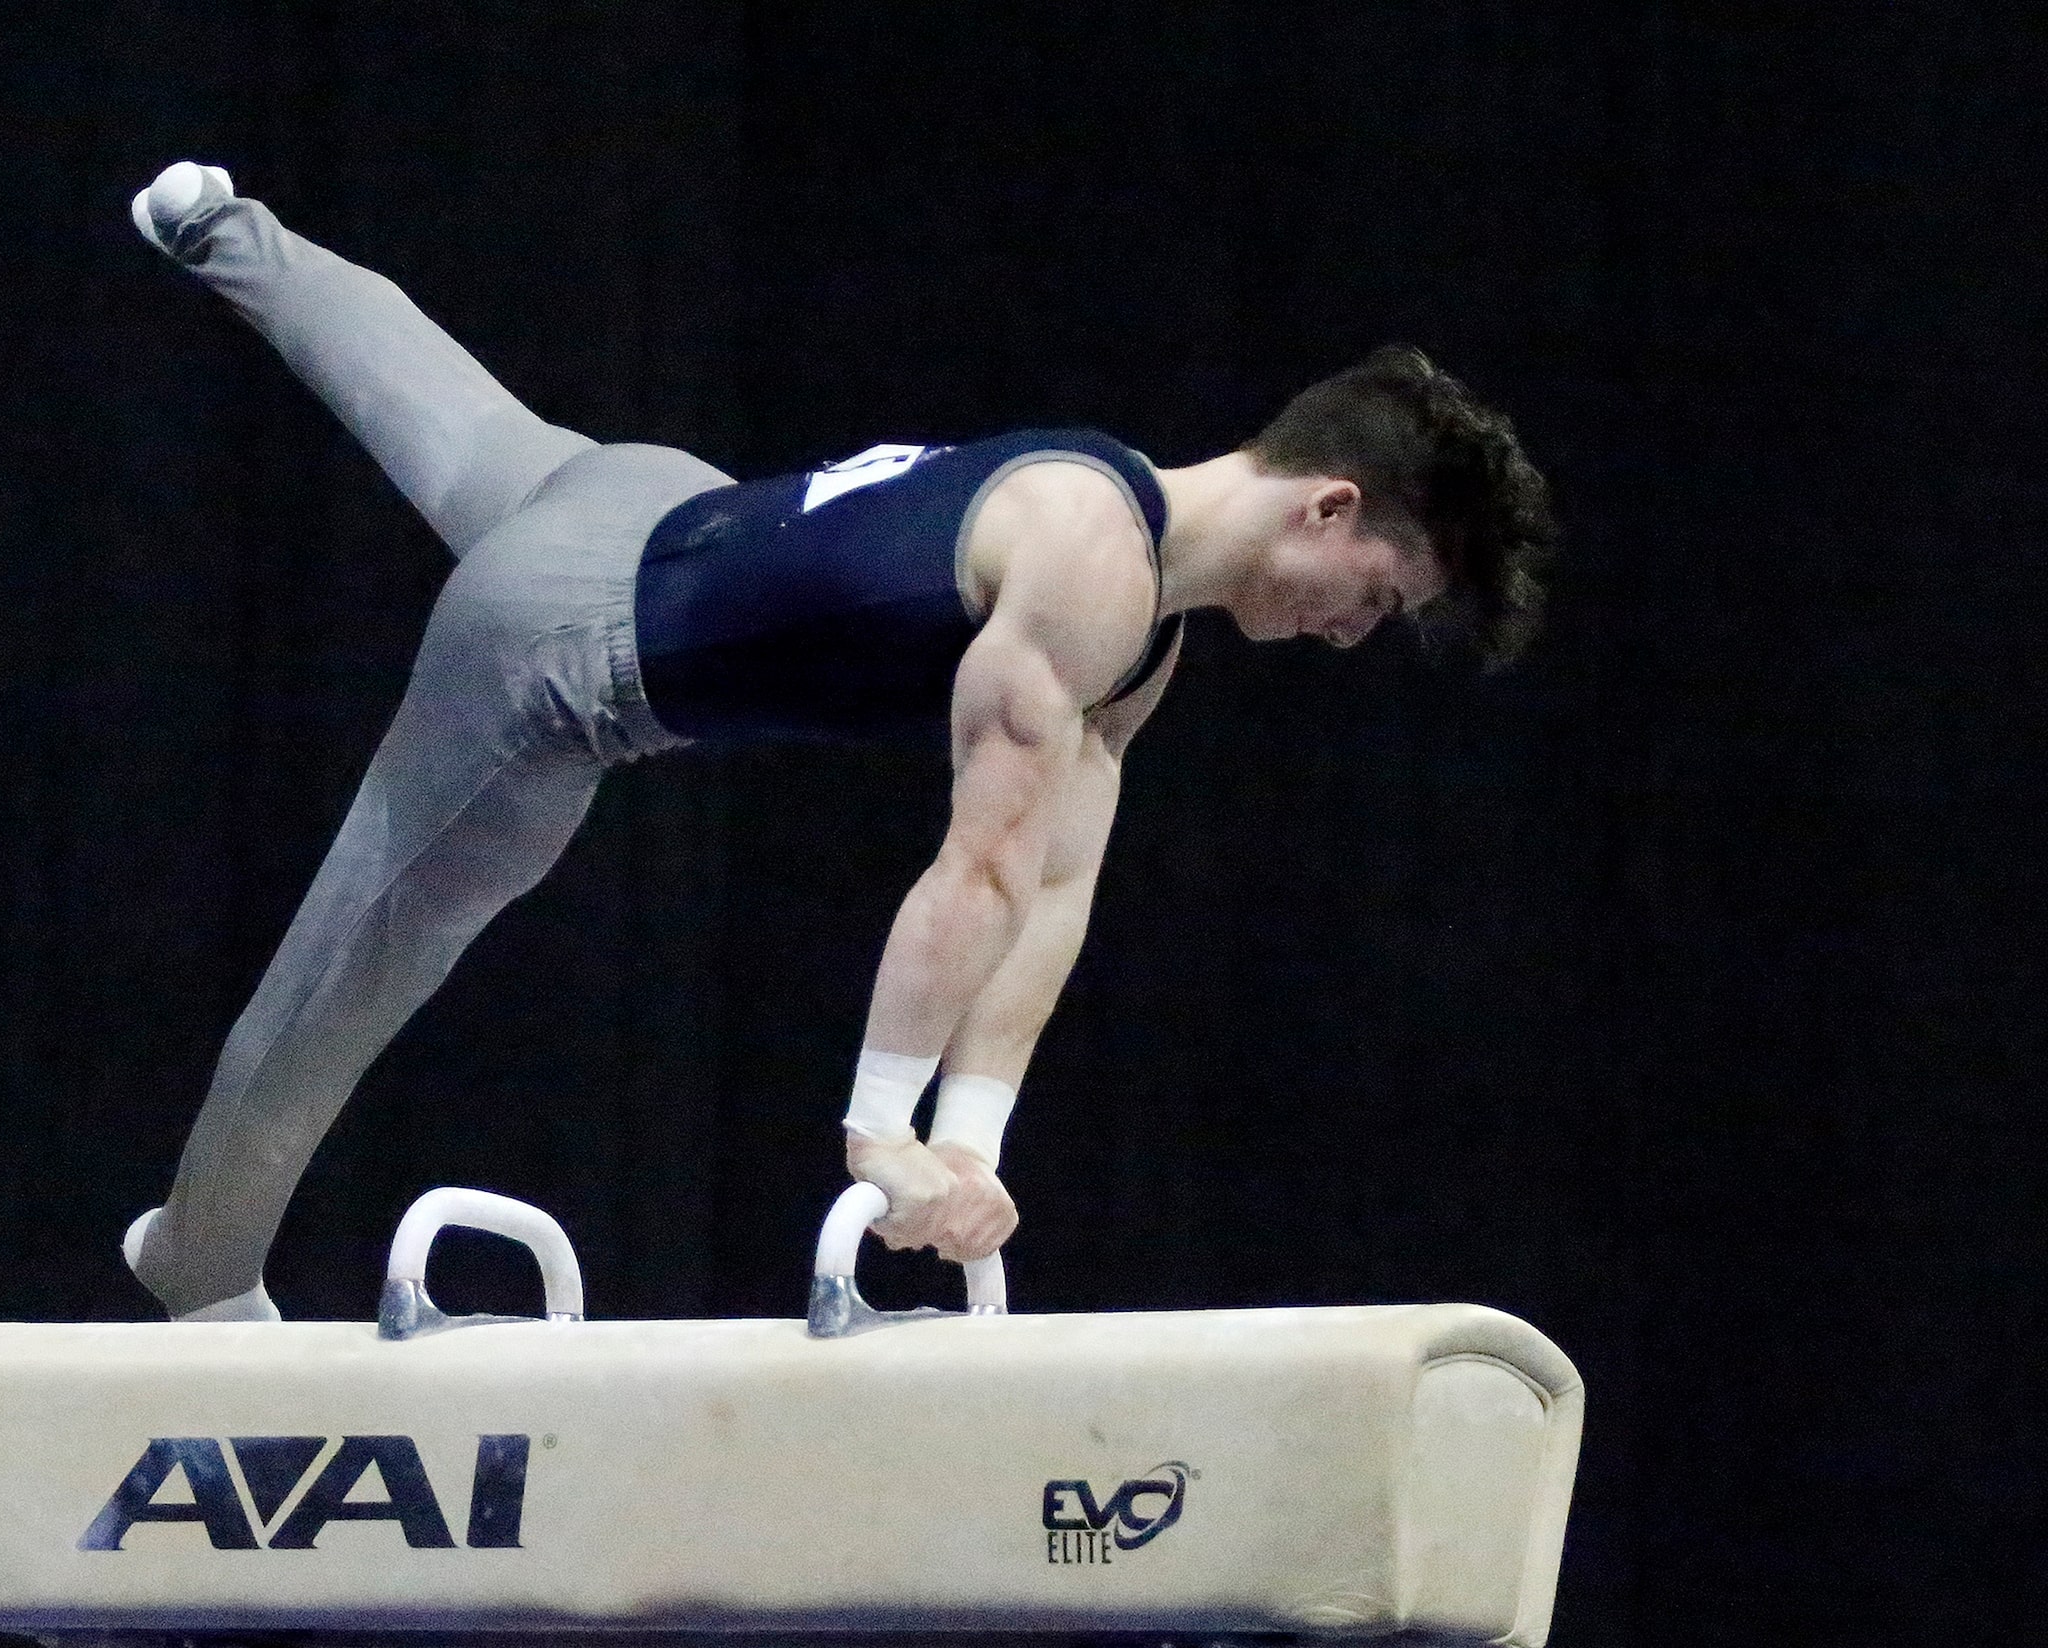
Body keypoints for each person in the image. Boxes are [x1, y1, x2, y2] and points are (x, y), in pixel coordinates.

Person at [117, 162, 1555, 1322]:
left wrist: (973, 1141)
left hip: (646, 503)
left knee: (448, 410)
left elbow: (1055, 895)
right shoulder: (1092, 565)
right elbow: (979, 866)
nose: (1353, 634)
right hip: (559, 665)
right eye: (1376, 596)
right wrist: (878, 1132)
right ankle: (197, 1260)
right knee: (350, 972)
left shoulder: (1141, 623)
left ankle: (218, 228)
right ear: (1328, 508)